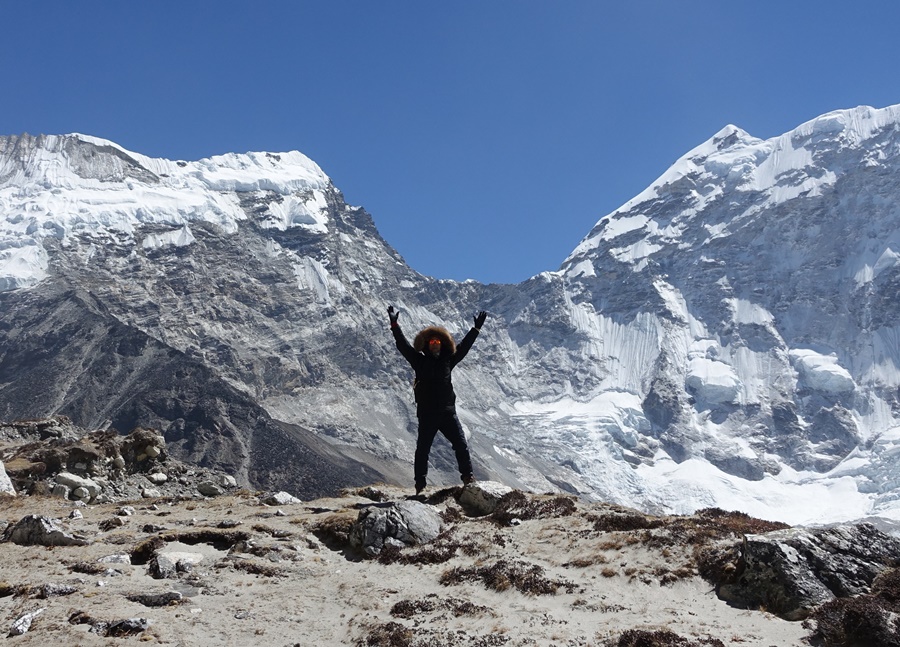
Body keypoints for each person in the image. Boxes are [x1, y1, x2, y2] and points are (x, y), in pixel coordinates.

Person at [388, 305, 487, 495]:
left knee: (460, 444)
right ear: (427, 344)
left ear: (442, 344)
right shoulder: (418, 360)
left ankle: (468, 477)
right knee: (422, 450)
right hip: (427, 413)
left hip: (447, 412)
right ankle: (420, 485)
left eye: (438, 341)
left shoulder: (448, 360)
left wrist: (475, 329)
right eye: (432, 341)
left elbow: (464, 347)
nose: (435, 344)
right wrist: (394, 325)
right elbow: (402, 345)